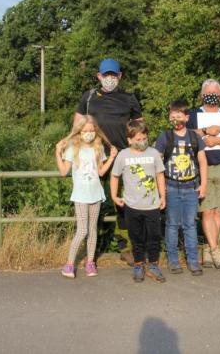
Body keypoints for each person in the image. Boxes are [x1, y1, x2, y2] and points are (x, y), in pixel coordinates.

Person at [74, 58, 143, 266]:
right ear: (99, 76)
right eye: (106, 75)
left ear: (120, 76)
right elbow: (77, 126)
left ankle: (126, 247)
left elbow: (140, 128)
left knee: (125, 202)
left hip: (124, 158)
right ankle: (94, 250)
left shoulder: (129, 99)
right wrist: (71, 151)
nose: (110, 79)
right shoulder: (89, 97)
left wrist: (140, 150)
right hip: (94, 159)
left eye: (114, 75)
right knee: (94, 202)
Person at [186, 79, 220, 270]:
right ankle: (216, 250)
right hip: (202, 167)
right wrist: (204, 133)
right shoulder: (193, 114)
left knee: (218, 210)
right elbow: (183, 132)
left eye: (215, 92)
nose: (212, 95)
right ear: (202, 95)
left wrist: (218, 140)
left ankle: (210, 250)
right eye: (208, 92)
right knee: (207, 210)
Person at [54, 116, 117, 278]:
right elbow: (63, 172)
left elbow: (101, 172)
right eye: (85, 131)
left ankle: (90, 262)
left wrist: (111, 157)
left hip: (96, 194)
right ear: (79, 131)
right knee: (82, 230)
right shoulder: (72, 148)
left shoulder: (98, 148)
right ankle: (69, 264)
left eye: (91, 130)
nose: (89, 133)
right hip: (81, 195)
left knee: (92, 229)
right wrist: (57, 152)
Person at [154, 100, 208, 276]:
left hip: (191, 187)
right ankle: (173, 261)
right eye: (172, 115)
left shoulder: (195, 137)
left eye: (179, 115)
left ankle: (193, 261)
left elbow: (202, 162)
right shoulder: (165, 137)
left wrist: (204, 185)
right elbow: (156, 162)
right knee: (171, 225)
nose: (176, 118)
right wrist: (159, 190)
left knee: (190, 225)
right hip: (171, 187)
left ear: (186, 117)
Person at [110, 120, 167, 283]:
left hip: (152, 205)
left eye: (144, 138)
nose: (142, 142)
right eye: (138, 139)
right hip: (131, 206)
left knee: (154, 237)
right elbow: (115, 176)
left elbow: (160, 175)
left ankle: (154, 265)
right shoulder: (123, 156)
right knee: (136, 237)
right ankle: (138, 264)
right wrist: (114, 196)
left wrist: (163, 196)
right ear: (129, 140)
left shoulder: (154, 153)